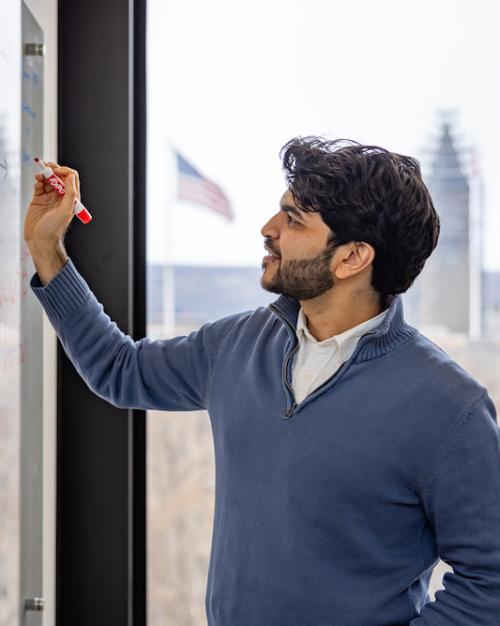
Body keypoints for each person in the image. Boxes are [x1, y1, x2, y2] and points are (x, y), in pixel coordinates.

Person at [24, 137, 500, 626]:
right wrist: (47, 248)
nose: (268, 229)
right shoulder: (238, 344)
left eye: (294, 220)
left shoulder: (449, 407)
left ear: (353, 257)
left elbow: (490, 584)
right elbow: (119, 370)